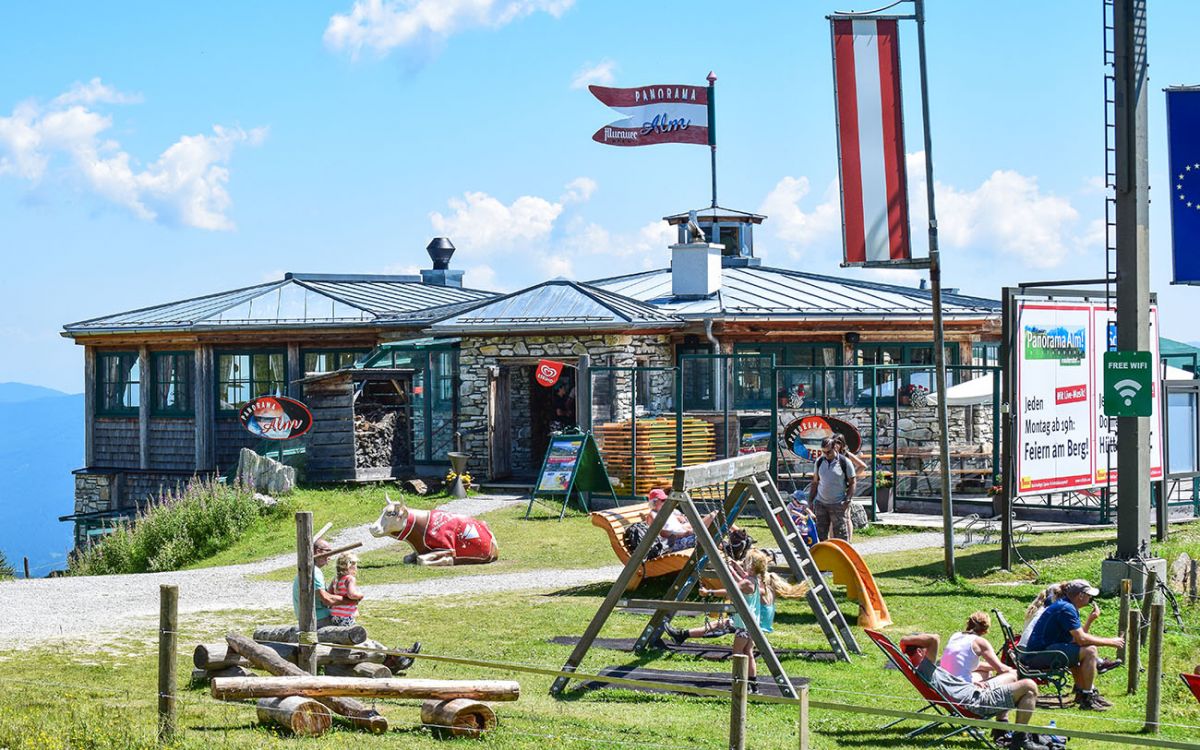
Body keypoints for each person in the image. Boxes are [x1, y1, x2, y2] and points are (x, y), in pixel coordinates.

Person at [900, 633, 1045, 750]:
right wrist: (904, 640)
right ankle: (1020, 739)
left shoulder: (924, 670)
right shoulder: (924, 669)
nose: (928, 652)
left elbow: (949, 684)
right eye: (925, 650)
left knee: (1012, 676)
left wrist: (970, 684)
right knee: (1029, 686)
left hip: (973, 692)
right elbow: (934, 638)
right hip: (975, 703)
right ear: (920, 651)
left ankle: (1000, 730)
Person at [1023, 579, 1124, 710]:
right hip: (1038, 655)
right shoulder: (1066, 609)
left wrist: (1090, 620)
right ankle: (1087, 699)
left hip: (1043, 652)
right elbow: (1081, 639)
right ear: (1080, 595)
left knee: (1080, 652)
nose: (1090, 598)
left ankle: (1083, 693)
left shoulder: (1066, 606)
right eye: (1089, 595)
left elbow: (1075, 640)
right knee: (1090, 651)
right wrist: (1111, 642)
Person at [940, 611, 1014, 683]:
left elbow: (970, 665)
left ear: (968, 624)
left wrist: (993, 666)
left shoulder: (956, 635)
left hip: (943, 682)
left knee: (986, 671)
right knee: (993, 674)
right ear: (985, 631)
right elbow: (1001, 670)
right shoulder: (979, 642)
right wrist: (1016, 671)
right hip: (959, 688)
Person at [292, 539, 349, 628]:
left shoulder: (306, 570)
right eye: (329, 552)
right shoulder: (314, 571)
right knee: (350, 625)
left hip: (307, 619)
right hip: (318, 619)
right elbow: (326, 599)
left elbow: (323, 595)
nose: (330, 556)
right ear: (319, 552)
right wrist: (350, 601)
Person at [809, 437, 856, 542]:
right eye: (823, 452)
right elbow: (815, 482)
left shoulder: (845, 462)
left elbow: (852, 482)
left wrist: (848, 499)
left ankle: (844, 555)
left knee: (841, 536)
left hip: (838, 504)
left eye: (828, 452)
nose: (826, 454)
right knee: (820, 535)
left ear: (835, 448)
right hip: (821, 503)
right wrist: (811, 500)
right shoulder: (819, 461)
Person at [642, 488, 718, 552]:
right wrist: (684, 533)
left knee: (714, 515)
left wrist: (689, 528)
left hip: (685, 535)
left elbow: (679, 526)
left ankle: (726, 546)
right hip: (674, 542)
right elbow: (661, 533)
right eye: (662, 500)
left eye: (666, 499)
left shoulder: (668, 512)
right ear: (654, 502)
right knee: (709, 536)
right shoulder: (653, 515)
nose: (665, 502)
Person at [327, 553, 364, 626]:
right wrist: (360, 595)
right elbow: (351, 594)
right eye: (355, 565)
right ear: (350, 566)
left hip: (334, 615)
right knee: (350, 634)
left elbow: (329, 593)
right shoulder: (350, 579)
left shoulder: (336, 579)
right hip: (346, 616)